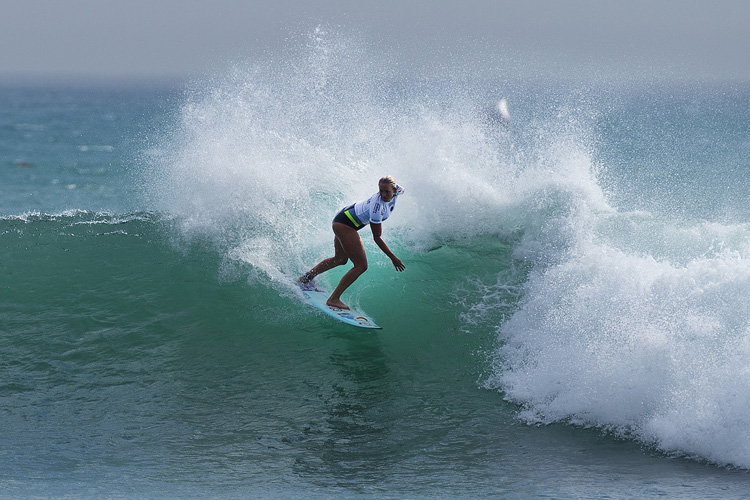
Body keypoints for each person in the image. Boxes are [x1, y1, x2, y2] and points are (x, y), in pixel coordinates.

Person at [300, 175, 406, 310]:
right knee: (361, 266)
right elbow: (377, 237)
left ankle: (306, 278)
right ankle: (333, 299)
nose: (384, 194)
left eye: (387, 191)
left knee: (340, 259)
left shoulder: (398, 190)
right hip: (345, 224)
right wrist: (393, 258)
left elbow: (402, 190)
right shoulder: (377, 207)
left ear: (394, 189)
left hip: (342, 219)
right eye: (381, 191)